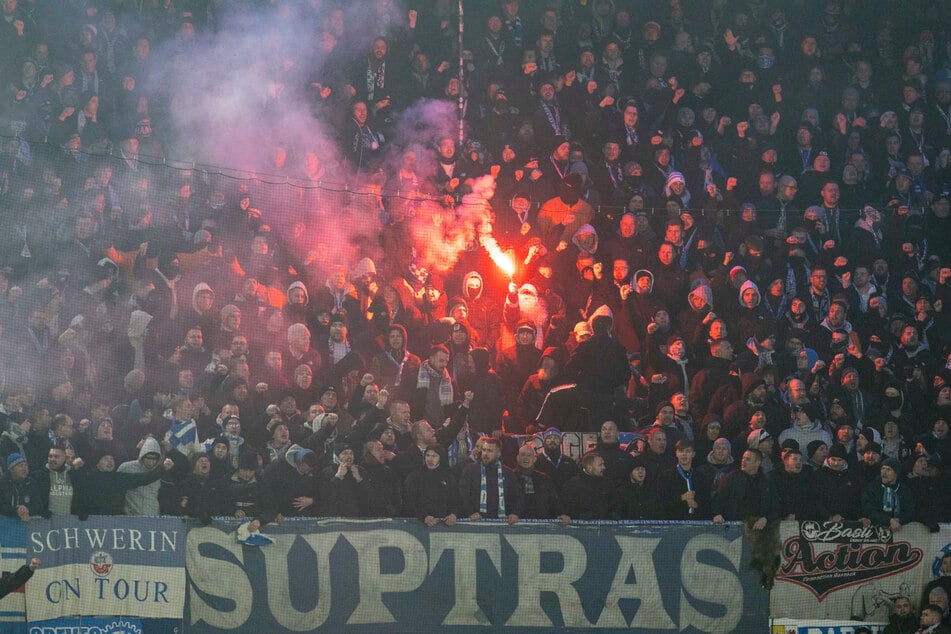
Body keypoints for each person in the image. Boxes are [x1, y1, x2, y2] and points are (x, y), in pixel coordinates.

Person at [458, 437, 522, 524]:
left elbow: (517, 497)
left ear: (498, 454)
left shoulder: (508, 473)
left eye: (490, 451)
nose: (485, 454)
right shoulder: (470, 470)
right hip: (476, 522)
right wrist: (470, 512)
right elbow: (463, 494)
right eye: (484, 450)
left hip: (502, 523)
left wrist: (515, 513)